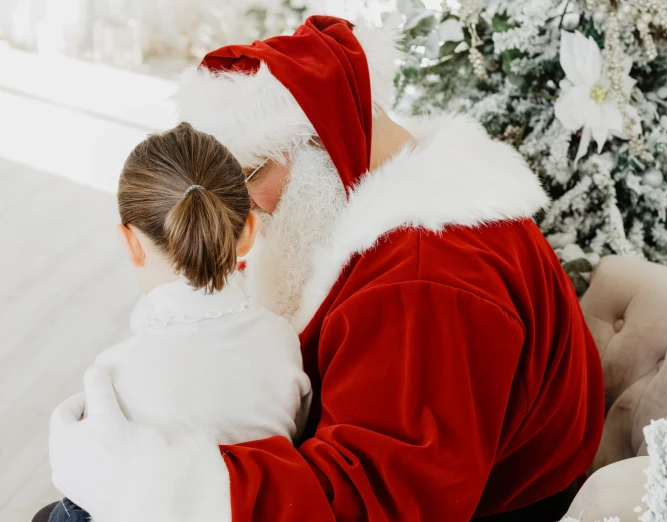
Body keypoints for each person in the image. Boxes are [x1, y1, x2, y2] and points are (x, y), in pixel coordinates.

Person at [43, 15, 605, 522]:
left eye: (244, 178)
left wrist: (157, 483)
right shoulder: (393, 199)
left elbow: (381, 498)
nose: (241, 208)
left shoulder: (425, 282)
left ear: (316, 146)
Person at [46, 123, 310, 522]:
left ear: (131, 243)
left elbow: (84, 480)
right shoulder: (283, 341)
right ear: (248, 233)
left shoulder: (114, 371)